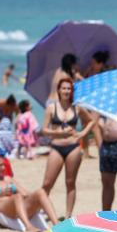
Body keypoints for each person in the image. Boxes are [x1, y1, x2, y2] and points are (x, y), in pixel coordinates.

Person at [41, 77, 94, 218]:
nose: (66, 91)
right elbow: (44, 130)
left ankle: (68, 215)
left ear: (72, 91)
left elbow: (90, 121)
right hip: (56, 147)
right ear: (58, 90)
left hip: (73, 147)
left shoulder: (77, 107)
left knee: (70, 182)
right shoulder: (52, 108)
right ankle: (42, 210)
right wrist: (57, 132)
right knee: (47, 182)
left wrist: (82, 134)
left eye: (69, 89)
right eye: (64, 88)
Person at [0, 154, 59, 232]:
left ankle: (57, 225)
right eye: (0, 165)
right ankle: (28, 226)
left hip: (17, 206)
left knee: (41, 192)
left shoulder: (7, 179)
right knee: (17, 197)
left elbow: (25, 194)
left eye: (4, 165)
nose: (3, 168)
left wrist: (37, 200)